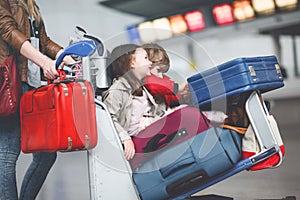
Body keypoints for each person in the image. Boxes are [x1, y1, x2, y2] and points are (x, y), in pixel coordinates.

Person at [0, 0, 74, 199]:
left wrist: (67, 56)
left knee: (46, 154)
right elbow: (9, 32)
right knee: (7, 155)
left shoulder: (29, 4)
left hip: (31, 86)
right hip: (10, 85)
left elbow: (43, 41)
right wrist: (43, 61)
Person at [103, 44, 165, 160]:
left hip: (151, 132)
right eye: (146, 58)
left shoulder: (140, 86)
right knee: (188, 115)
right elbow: (109, 118)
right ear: (132, 63)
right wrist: (125, 138)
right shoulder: (117, 90)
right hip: (139, 141)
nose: (150, 63)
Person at [142, 43, 190, 110]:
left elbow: (171, 97)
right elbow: (159, 86)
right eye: (158, 70)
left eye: (162, 72)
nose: (161, 76)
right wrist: (179, 87)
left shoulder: (163, 79)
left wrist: (183, 97)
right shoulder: (147, 80)